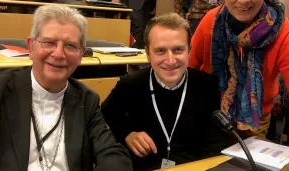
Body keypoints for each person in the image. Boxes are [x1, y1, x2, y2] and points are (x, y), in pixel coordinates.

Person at [0, 4, 133, 171]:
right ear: (31, 47)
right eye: (49, 43)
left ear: (81, 54)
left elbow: (114, 156)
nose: (58, 54)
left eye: (70, 46)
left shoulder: (87, 100)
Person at [101, 13, 228, 171]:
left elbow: (216, 142)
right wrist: (127, 134)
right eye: (160, 51)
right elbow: (107, 112)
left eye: (178, 50)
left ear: (189, 51)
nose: (170, 60)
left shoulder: (207, 85)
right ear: (148, 54)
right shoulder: (130, 84)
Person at [189, 0, 289, 139]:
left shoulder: (282, 29)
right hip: (210, 112)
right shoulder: (211, 21)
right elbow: (188, 69)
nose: (243, 1)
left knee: (249, 160)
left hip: (255, 118)